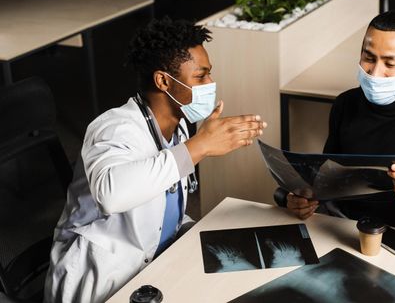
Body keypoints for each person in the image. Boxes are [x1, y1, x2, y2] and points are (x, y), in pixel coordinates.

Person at [44, 17, 267, 302]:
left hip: (152, 266)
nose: (211, 84)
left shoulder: (180, 126)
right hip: (101, 277)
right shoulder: (113, 128)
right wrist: (197, 148)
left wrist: (206, 234)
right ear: (163, 80)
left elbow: (162, 210)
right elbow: (111, 194)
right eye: (201, 76)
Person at [283, 11, 395, 239]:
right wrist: (303, 197)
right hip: (341, 225)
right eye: (369, 58)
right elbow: (329, 177)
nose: (375, 73)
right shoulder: (345, 104)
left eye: (390, 63)